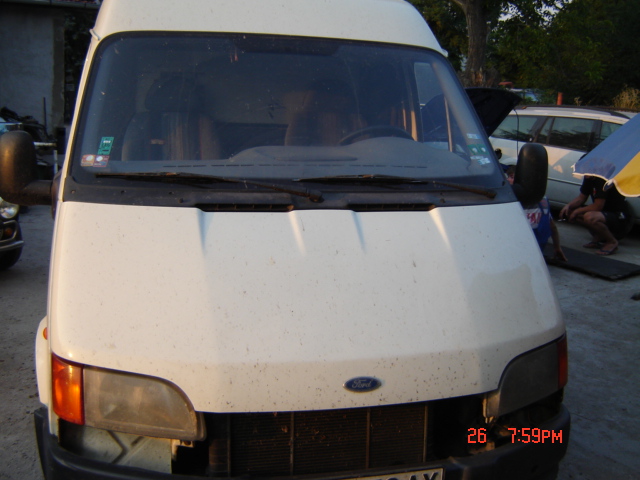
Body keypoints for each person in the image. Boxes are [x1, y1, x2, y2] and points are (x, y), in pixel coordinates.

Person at [559, 175, 632, 256]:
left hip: (620, 218)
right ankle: (599, 236)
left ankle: (612, 242)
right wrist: (568, 206)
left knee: (590, 217)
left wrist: (577, 211)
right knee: (569, 212)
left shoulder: (602, 180)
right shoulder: (588, 178)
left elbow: (598, 206)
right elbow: (581, 198)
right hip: (603, 214)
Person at [506, 166, 568, 261]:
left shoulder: (512, 200)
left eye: (511, 177)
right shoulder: (542, 199)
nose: (508, 180)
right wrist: (557, 247)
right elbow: (552, 226)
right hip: (537, 250)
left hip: (518, 251)